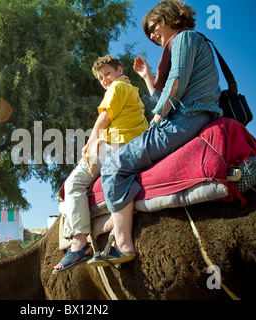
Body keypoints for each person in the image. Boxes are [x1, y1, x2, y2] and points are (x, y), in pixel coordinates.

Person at [90, 0, 223, 266]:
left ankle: (123, 244)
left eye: (154, 26)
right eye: (148, 32)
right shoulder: (193, 42)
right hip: (189, 117)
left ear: (171, 17)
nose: (152, 35)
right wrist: (148, 77)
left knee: (114, 163)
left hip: (183, 121)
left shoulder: (185, 38)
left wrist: (157, 118)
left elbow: (175, 83)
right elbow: (166, 95)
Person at [53, 55, 148, 273]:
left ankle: (78, 244)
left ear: (119, 70)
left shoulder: (116, 88)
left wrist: (90, 143)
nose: (105, 79)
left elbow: (104, 118)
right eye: (100, 77)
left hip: (113, 145)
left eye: (107, 73)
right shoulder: (134, 93)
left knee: (73, 184)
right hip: (133, 147)